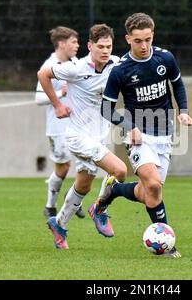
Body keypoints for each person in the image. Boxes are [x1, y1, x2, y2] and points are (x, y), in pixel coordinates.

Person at [92, 13, 192, 258]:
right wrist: (129, 126)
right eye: (138, 41)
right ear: (128, 39)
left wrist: (183, 111)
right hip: (138, 135)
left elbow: (177, 85)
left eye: (148, 39)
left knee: (149, 192)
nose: (144, 45)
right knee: (153, 184)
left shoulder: (165, 58)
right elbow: (106, 107)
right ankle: (166, 246)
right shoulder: (121, 70)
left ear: (153, 35)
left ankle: (114, 192)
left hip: (165, 134)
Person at [37, 24, 128, 249]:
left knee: (84, 184)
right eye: (100, 47)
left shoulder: (116, 64)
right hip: (78, 136)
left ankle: (58, 224)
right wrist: (58, 105)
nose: (105, 51)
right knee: (120, 171)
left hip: (98, 136)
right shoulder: (75, 68)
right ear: (90, 46)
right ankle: (99, 208)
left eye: (109, 46)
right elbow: (43, 74)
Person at [35, 26, 85, 219]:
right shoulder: (49, 66)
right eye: (74, 42)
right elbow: (38, 99)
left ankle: (74, 198)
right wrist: (60, 93)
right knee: (63, 168)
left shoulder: (75, 62)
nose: (77, 46)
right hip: (58, 127)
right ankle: (50, 206)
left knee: (85, 164)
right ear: (62, 44)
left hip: (78, 125)